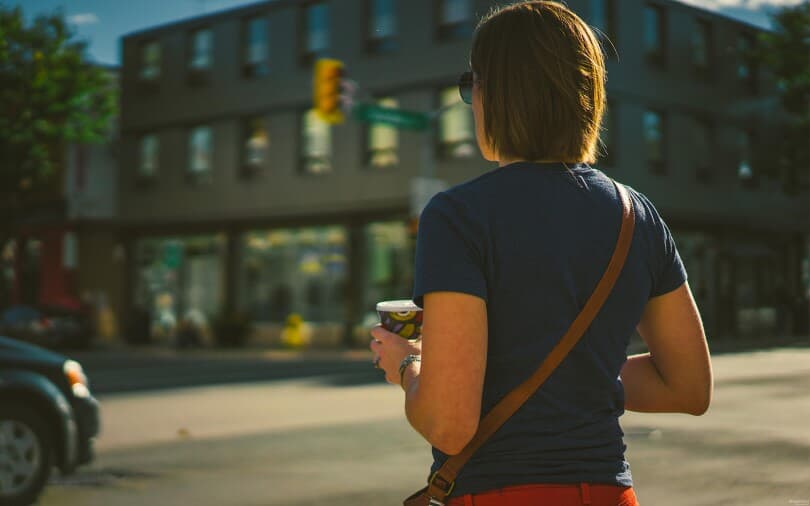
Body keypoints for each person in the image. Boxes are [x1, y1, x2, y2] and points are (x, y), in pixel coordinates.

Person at [369, 2, 713, 505]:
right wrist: (582, 377)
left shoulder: (456, 216)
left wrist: (407, 366)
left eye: (474, 85)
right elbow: (688, 388)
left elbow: (449, 423)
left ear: (495, 93)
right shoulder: (635, 215)